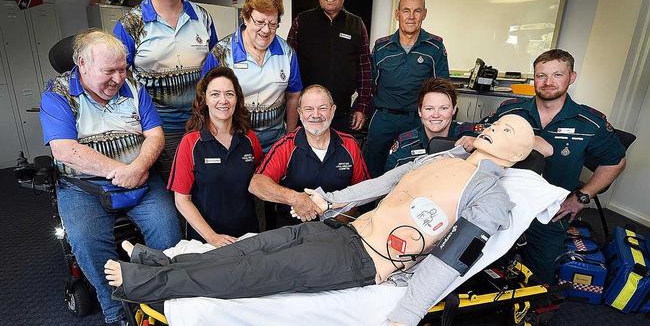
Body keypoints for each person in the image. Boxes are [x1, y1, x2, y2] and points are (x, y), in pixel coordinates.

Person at [104, 114, 535, 326]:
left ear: (515, 154)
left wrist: (407, 314)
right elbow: (383, 183)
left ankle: (143, 284)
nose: (496, 126)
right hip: (343, 232)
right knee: (246, 247)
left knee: (256, 271)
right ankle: (163, 264)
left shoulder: (491, 197)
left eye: (509, 130)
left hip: (364, 263)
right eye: (499, 122)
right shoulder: (447, 156)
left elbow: (453, 260)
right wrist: (329, 201)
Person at [39, 30, 181, 325]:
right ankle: (117, 312)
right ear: (82, 64)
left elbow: (155, 135)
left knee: (168, 232)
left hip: (141, 179)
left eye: (122, 68)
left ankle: (163, 298)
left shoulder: (134, 87)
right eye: (109, 71)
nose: (118, 78)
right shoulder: (58, 93)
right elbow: (64, 150)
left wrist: (138, 167)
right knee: (88, 243)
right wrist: (119, 171)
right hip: (84, 188)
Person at [475, 49, 626, 283]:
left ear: (571, 77)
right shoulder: (510, 111)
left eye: (557, 75)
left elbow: (615, 162)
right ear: (534, 78)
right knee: (478, 269)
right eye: (541, 75)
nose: (548, 82)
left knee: (539, 280)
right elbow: (481, 142)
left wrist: (581, 197)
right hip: (500, 206)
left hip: (549, 214)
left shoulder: (589, 122)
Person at [113, 0, 218, 178]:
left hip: (201, 123)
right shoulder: (130, 24)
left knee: (207, 184)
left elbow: (214, 72)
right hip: (158, 129)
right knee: (174, 192)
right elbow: (118, 80)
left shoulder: (203, 17)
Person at [249, 85, 370, 229]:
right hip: (292, 232)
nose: (316, 114)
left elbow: (365, 189)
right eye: (309, 109)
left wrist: (343, 216)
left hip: (336, 231)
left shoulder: (349, 145)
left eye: (323, 108)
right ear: (299, 112)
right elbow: (256, 184)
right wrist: (295, 198)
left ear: (333, 111)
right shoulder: (286, 146)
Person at [168, 66, 263, 247]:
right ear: (204, 100)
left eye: (229, 94)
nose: (223, 100)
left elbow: (262, 180)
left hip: (247, 236)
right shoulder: (190, 143)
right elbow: (181, 200)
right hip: (206, 241)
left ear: (237, 99)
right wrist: (212, 237)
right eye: (215, 94)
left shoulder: (249, 139)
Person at [202, 0, 302, 151]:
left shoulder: (288, 53)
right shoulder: (221, 53)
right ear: (246, 18)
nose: (266, 30)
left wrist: (289, 137)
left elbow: (293, 95)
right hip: (233, 144)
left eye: (272, 23)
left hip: (275, 144)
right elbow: (204, 98)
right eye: (260, 22)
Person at [365, 0, 449, 178]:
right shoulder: (381, 47)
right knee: (372, 169)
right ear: (397, 14)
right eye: (406, 11)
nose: (411, 17)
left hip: (416, 121)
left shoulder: (435, 47)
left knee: (414, 172)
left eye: (417, 11)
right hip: (383, 119)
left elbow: (443, 88)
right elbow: (369, 85)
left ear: (424, 14)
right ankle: (369, 208)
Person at [286, 0, 372, 133]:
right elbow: (287, 66)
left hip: (340, 113)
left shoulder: (356, 24)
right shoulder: (302, 21)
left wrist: (362, 106)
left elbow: (365, 70)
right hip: (307, 113)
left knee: (338, 158)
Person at [384, 78, 478, 171]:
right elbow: (389, 183)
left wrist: (479, 143)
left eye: (443, 108)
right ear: (420, 111)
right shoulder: (404, 145)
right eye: (429, 109)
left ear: (454, 110)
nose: (436, 115)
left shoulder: (471, 134)